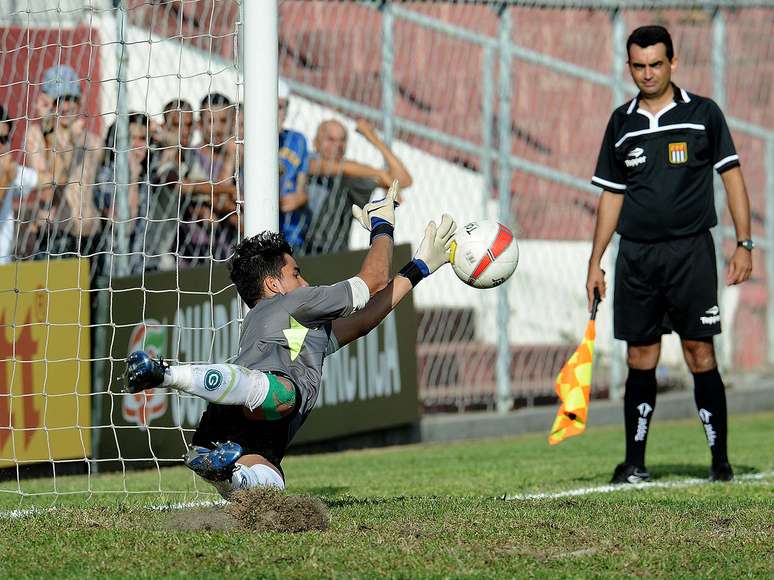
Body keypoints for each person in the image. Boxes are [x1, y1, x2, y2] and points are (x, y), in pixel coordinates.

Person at [125, 182, 455, 496]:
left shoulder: (297, 328)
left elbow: (363, 321)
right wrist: (382, 224)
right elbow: (372, 280)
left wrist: (419, 267)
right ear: (273, 285)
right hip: (261, 400)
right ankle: (166, 374)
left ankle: (228, 475)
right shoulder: (294, 303)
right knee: (285, 393)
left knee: (269, 483)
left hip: (234, 430)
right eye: (296, 273)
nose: (305, 280)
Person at [586, 25, 753, 484]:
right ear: (629, 67)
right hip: (636, 257)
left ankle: (720, 461)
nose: (647, 73)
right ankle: (634, 462)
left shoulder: (703, 114)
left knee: (700, 351)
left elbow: (732, 178)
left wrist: (744, 243)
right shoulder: (621, 122)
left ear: (673, 63)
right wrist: (595, 261)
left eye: (656, 64)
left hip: (691, 253)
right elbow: (611, 197)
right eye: (638, 66)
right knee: (641, 356)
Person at [20, 64, 100, 260]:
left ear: (80, 101)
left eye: (71, 99)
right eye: (59, 100)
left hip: (93, 235)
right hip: (58, 233)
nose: (66, 106)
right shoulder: (37, 136)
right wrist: (64, 143)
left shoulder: (93, 141)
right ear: (48, 103)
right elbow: (49, 188)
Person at [303, 118, 412, 256]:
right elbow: (329, 167)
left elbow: (404, 179)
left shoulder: (353, 174)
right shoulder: (306, 160)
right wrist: (379, 173)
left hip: (334, 254)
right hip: (302, 248)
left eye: (342, 140)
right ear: (316, 142)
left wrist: (373, 138)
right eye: (330, 139)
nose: (338, 145)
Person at [0, 106, 44, 263]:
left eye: (4, 139)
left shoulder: (11, 170)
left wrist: (51, 131)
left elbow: (49, 181)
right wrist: (5, 179)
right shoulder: (8, 173)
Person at [278, 79, 310, 252]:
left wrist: (301, 197)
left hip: (293, 235)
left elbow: (302, 187)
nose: (278, 113)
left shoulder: (298, 140)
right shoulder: (245, 138)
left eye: (282, 107)